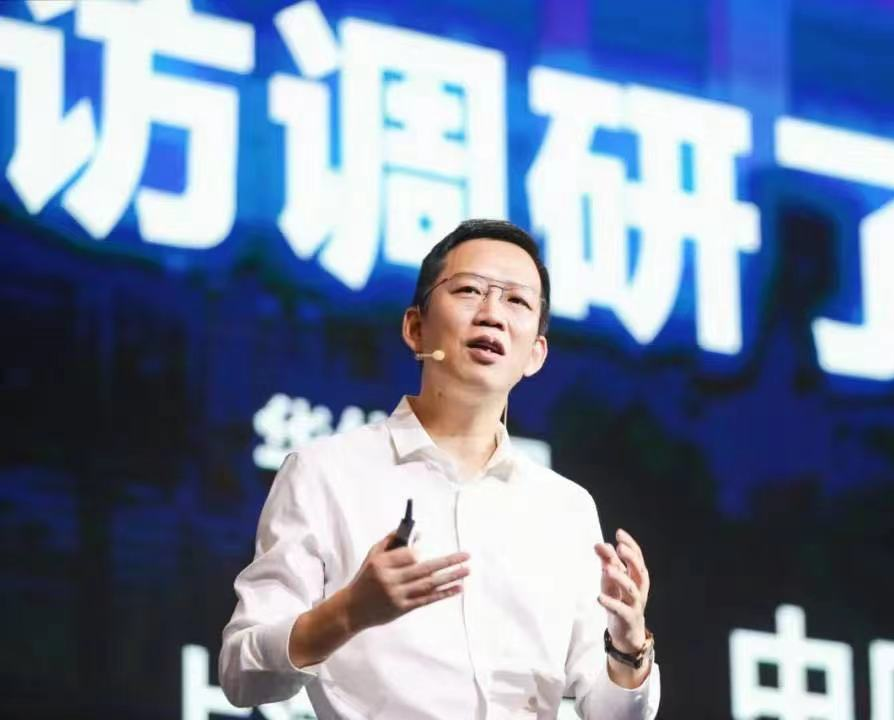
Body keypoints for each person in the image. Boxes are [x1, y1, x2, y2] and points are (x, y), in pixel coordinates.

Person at [220, 219, 660, 719]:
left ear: (535, 355)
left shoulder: (566, 508)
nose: (492, 314)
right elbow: (241, 671)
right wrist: (349, 612)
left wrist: (628, 646)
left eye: (517, 301)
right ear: (415, 328)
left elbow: (611, 713)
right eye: (470, 290)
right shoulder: (325, 473)